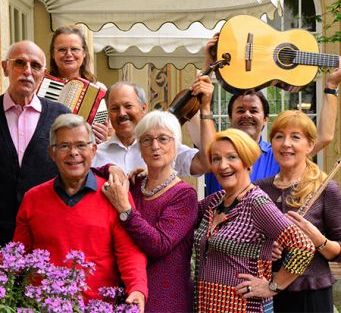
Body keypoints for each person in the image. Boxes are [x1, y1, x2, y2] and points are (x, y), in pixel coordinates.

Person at [13, 113, 148, 311]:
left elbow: (129, 252)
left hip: (98, 306)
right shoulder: (33, 199)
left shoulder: (114, 195)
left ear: (93, 150)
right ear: (52, 153)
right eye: (64, 146)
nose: (73, 153)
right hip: (43, 305)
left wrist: (137, 288)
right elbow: (17, 256)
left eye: (81, 145)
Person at [193, 128, 315, 312]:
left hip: (244, 307)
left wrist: (273, 286)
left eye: (232, 157)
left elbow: (303, 247)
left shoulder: (256, 203)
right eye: (216, 159)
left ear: (247, 162)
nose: (222, 165)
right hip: (207, 306)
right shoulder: (215, 201)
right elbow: (180, 213)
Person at [204, 33, 341, 195]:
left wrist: (331, 86)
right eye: (240, 110)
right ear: (230, 117)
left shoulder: (279, 153)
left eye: (254, 110)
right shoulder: (215, 150)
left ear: (265, 119)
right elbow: (197, 108)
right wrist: (208, 65)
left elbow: (324, 136)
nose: (247, 115)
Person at [102, 110, 198, 313]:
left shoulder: (184, 195)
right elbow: (94, 173)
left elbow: (159, 244)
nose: (155, 146)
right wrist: (112, 168)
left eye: (163, 139)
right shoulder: (135, 185)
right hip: (129, 294)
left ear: (176, 145)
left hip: (167, 300)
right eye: (146, 140)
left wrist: (125, 209)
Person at [256, 110, 341, 313]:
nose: (286, 144)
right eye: (279, 136)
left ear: (310, 145)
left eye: (295, 137)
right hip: (266, 290)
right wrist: (265, 247)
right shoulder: (260, 188)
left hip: (310, 293)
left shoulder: (326, 189)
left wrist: (318, 239)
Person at [0, 40, 70, 246]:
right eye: (20, 63)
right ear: (5, 68)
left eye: (35, 66)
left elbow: (75, 168)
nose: (27, 71)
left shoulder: (61, 116)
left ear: (44, 74)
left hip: (46, 234)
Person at [92, 78, 215, 177]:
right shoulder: (95, 154)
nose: (122, 113)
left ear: (144, 108)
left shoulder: (165, 148)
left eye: (128, 106)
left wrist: (205, 107)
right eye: (114, 108)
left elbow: (206, 163)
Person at [49, 25, 109, 144]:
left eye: (75, 49)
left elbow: (111, 132)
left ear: (84, 53)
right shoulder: (41, 86)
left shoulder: (99, 89)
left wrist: (104, 137)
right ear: (53, 54)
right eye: (62, 49)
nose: (68, 54)